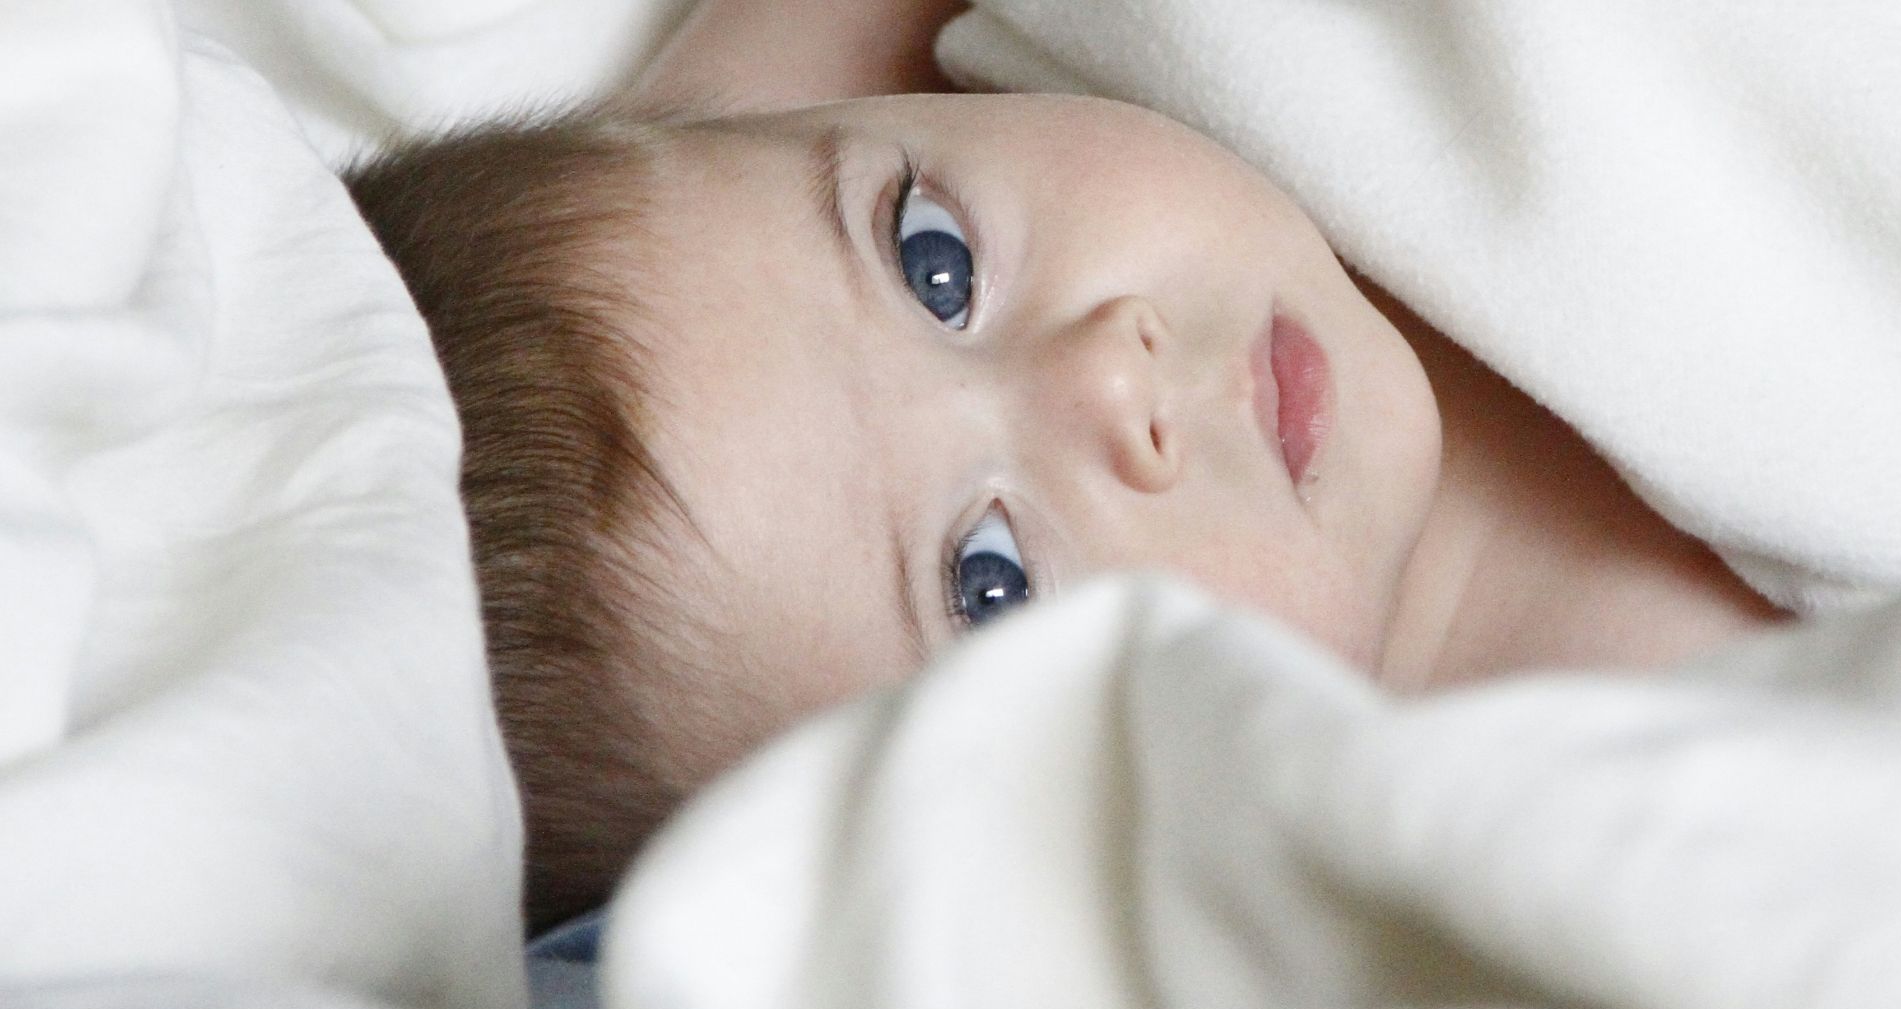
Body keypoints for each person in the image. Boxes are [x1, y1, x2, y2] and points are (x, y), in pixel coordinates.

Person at [344, 0, 1784, 933]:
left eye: (935, 262)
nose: (1105, 369)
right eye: (991, 577)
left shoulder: (1090, 51)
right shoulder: (1593, 823)